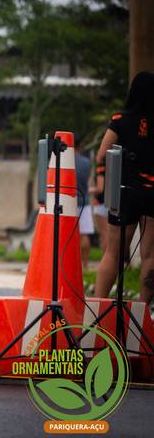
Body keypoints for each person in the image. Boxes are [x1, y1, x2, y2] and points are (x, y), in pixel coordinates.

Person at [94, 71, 154, 307]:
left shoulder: (120, 119)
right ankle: (142, 312)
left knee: (114, 252)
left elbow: (102, 155)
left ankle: (97, 307)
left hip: (124, 192)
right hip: (152, 194)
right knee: (150, 255)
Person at [74, 143, 95, 270]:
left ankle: (72, 265)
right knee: (85, 234)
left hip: (68, 201)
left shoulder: (65, 161)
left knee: (68, 235)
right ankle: (85, 265)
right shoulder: (87, 162)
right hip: (84, 202)